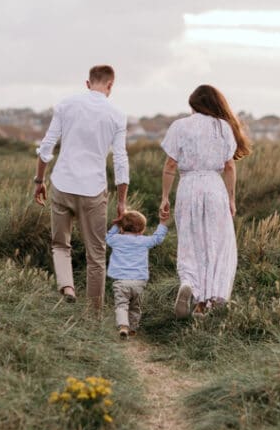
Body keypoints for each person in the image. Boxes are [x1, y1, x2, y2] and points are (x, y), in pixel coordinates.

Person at [34, 65, 129, 311]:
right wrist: (121, 200)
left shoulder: (66, 105)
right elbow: (120, 160)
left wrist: (39, 181)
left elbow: (47, 147)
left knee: (59, 244)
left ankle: (67, 286)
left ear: (87, 83)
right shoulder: (117, 115)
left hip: (63, 185)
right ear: (110, 85)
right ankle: (93, 314)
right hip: (93, 190)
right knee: (96, 255)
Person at [158, 85, 251, 317]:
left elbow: (170, 165)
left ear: (193, 105)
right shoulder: (224, 128)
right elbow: (229, 166)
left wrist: (164, 197)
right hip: (214, 187)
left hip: (188, 186)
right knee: (216, 245)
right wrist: (231, 198)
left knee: (190, 242)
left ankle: (189, 282)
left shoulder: (180, 126)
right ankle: (205, 303)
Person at [106, 209, 170, 339]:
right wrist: (162, 223)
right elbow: (158, 238)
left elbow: (107, 237)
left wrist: (117, 225)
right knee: (135, 306)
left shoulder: (116, 239)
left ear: (122, 229)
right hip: (139, 282)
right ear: (142, 230)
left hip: (121, 281)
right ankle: (133, 328)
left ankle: (123, 326)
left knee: (121, 305)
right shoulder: (144, 241)